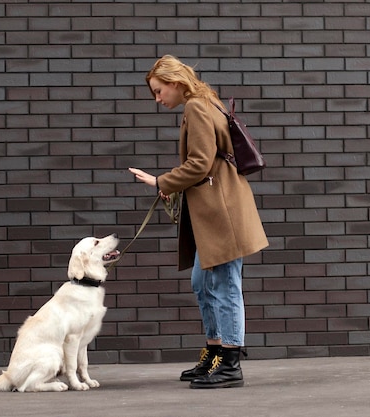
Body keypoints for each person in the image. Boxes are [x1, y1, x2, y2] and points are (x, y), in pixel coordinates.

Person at [129, 55, 268, 389]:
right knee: (202, 283)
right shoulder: (208, 100)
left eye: (159, 91)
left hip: (222, 211)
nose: (158, 99)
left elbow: (200, 163)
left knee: (225, 285)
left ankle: (230, 363)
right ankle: (215, 352)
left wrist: (160, 181)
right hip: (216, 208)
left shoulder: (196, 106)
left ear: (175, 83)